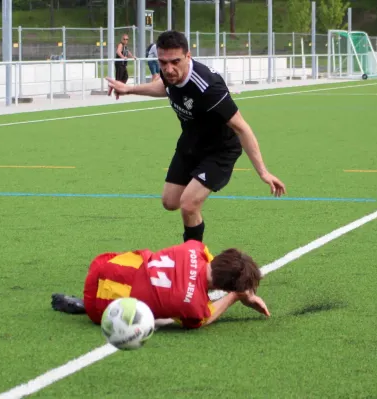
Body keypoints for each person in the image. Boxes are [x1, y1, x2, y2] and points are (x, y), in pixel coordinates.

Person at [106, 30, 286, 244]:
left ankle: (194, 262)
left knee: (189, 205)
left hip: (220, 149)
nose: (168, 69)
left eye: (175, 62)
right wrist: (130, 89)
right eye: (163, 62)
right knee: (170, 202)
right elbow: (164, 86)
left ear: (188, 56)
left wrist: (263, 172)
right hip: (191, 141)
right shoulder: (168, 72)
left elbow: (242, 128)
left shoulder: (209, 86)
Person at [51, 240, 270, 329]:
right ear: (228, 287)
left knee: (144, 263)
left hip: (103, 266)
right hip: (101, 309)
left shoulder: (195, 247)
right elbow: (205, 319)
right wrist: (236, 297)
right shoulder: (194, 306)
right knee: (164, 316)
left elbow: (207, 262)